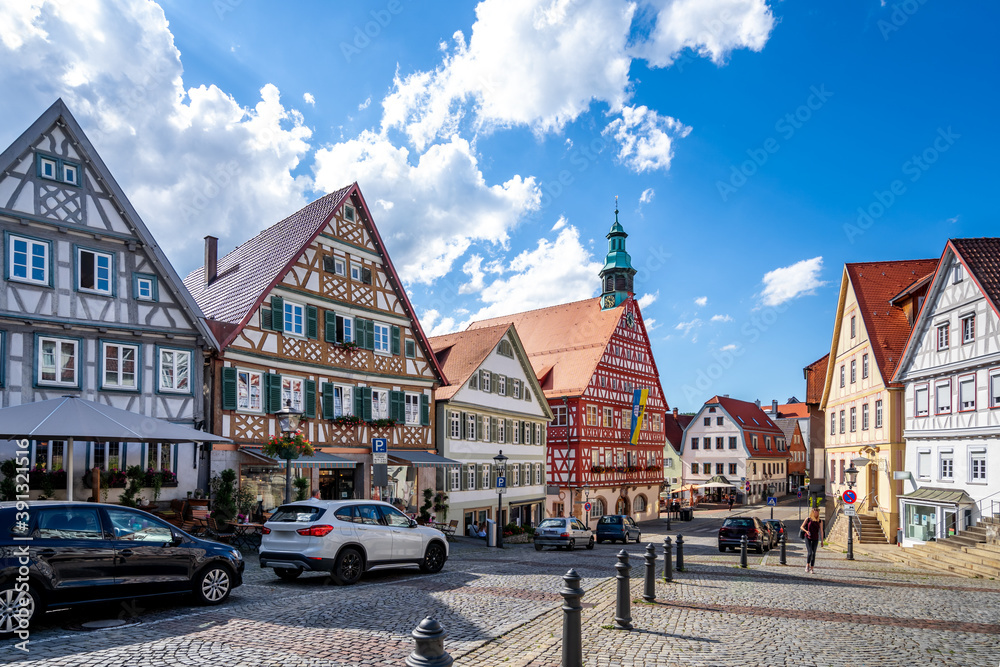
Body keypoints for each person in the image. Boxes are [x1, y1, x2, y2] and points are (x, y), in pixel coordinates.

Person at [800, 508, 824, 573]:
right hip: (808, 537)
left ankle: (812, 568)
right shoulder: (808, 519)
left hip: (815, 538)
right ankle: (807, 565)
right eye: (815, 512)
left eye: (817, 513)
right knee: (810, 552)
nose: (816, 514)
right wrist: (806, 531)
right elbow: (801, 527)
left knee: (814, 553)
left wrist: (822, 541)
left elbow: (821, 531)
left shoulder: (820, 521)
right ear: (813, 513)